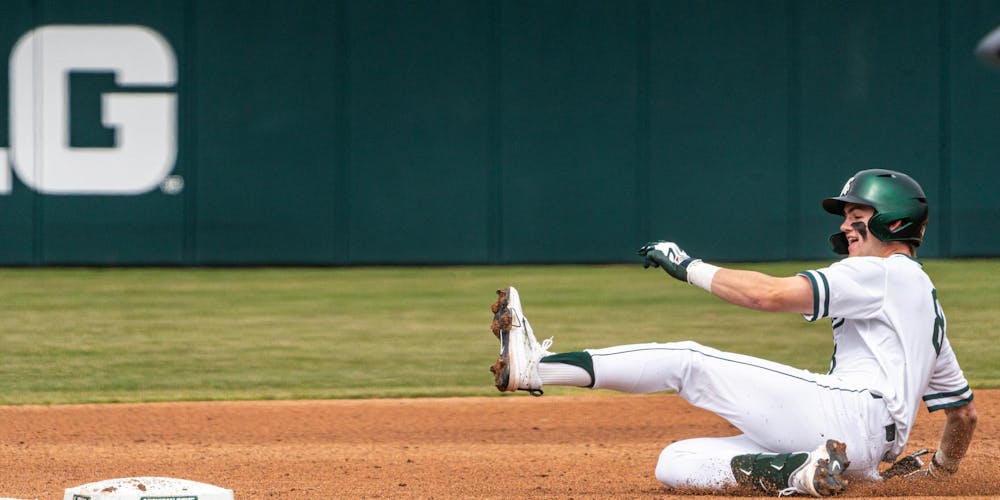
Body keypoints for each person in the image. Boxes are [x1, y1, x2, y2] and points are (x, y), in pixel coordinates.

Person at [487, 169, 977, 497]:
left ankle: (536, 367)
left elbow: (767, 295)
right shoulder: (927, 309)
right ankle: (799, 473)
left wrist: (689, 266)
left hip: (848, 414)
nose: (847, 229)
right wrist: (938, 476)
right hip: (858, 450)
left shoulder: (885, 271)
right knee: (675, 461)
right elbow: (965, 416)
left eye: (857, 219)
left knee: (688, 361)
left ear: (893, 222)